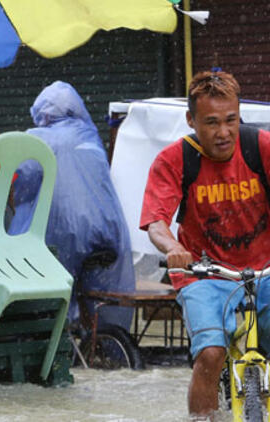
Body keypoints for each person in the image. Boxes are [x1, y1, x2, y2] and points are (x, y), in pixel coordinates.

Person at [140, 70, 270, 418]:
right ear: (191, 120)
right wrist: (172, 249)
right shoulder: (175, 160)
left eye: (231, 119)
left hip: (264, 270)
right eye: (211, 122)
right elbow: (156, 223)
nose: (224, 132)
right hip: (204, 274)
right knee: (211, 354)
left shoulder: (260, 148)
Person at [9, 81, 135, 331]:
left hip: (61, 234)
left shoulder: (36, 139)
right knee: (99, 293)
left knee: (42, 284)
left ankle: (52, 339)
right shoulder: (90, 136)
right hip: (107, 231)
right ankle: (106, 339)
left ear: (43, 113)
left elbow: (20, 184)